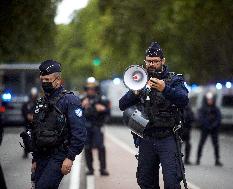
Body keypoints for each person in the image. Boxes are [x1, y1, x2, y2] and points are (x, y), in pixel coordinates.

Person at [119, 42, 189, 189]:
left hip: (168, 137)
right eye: (149, 61)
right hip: (146, 137)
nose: (152, 64)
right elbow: (122, 105)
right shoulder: (140, 79)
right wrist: (135, 92)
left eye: (155, 61)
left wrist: (165, 89)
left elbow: (184, 100)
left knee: (172, 182)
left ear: (163, 61)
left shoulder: (174, 80)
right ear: (145, 62)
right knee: (146, 182)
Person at [26, 60, 86, 189]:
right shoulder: (41, 101)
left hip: (59, 155)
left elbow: (79, 132)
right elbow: (37, 130)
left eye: (47, 79)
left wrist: (70, 157)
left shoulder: (70, 100)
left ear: (58, 80)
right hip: (41, 155)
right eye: (42, 79)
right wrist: (35, 159)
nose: (44, 82)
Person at [81, 77, 110, 176]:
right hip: (86, 127)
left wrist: (103, 109)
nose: (91, 90)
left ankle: (103, 169)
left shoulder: (102, 99)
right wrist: (82, 106)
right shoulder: (82, 99)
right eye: (89, 89)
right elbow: (75, 114)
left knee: (100, 147)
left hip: (97, 126)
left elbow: (108, 112)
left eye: (92, 89)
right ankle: (90, 169)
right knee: (87, 147)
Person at [196, 92, 223, 166]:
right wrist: (207, 125)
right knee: (201, 144)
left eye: (211, 100)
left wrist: (214, 125)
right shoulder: (203, 108)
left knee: (216, 145)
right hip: (205, 129)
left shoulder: (216, 109)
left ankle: (217, 160)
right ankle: (198, 159)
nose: (210, 101)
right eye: (208, 100)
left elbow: (219, 118)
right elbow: (200, 118)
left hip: (214, 129)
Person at [21, 87, 39, 158]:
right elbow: (23, 110)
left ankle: (36, 153)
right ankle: (26, 152)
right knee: (26, 137)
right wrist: (27, 115)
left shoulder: (38, 102)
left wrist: (34, 117)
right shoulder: (27, 103)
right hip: (28, 123)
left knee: (36, 138)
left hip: (36, 123)